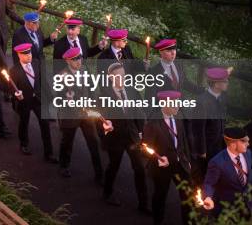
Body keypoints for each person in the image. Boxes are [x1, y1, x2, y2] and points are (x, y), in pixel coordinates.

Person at [99, 62, 148, 213]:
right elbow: (100, 117)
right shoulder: (104, 94)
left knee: (139, 168)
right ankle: (107, 193)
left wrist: (141, 132)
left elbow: (139, 112)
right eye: (118, 76)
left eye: (123, 75)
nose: (121, 79)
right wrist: (105, 126)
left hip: (132, 136)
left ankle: (143, 203)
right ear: (111, 78)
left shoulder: (132, 91)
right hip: (116, 138)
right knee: (114, 166)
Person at [57, 47, 108, 181]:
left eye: (79, 58)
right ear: (68, 61)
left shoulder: (85, 71)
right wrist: (65, 97)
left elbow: (91, 90)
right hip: (70, 115)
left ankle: (99, 174)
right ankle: (64, 165)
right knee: (67, 141)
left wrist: (92, 105)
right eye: (74, 59)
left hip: (86, 115)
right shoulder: (62, 76)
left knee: (93, 142)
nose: (78, 61)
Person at [143, 91, 193, 225]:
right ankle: (157, 221)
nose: (177, 106)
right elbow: (145, 148)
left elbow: (183, 142)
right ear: (163, 104)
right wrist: (157, 158)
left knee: (188, 196)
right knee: (160, 196)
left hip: (180, 165)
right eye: (174, 103)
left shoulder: (178, 118)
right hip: (162, 167)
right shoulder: (152, 123)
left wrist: (187, 160)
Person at [10, 43, 57, 162]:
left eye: (29, 53)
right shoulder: (14, 70)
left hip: (38, 100)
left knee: (45, 124)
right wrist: (16, 94)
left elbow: (43, 82)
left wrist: (50, 98)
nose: (28, 56)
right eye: (25, 54)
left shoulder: (37, 63)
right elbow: (11, 87)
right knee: (24, 122)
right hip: (24, 101)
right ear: (19, 55)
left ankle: (49, 153)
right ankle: (24, 144)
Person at [202, 127, 252, 220]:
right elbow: (209, 183)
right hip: (229, 211)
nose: (248, 144)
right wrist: (208, 197)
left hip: (250, 206)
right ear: (233, 144)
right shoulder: (217, 162)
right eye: (244, 141)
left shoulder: (248, 153)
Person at [193, 67, 230, 180]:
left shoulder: (223, 97)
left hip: (220, 144)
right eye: (225, 81)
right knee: (205, 176)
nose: (227, 83)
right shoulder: (201, 102)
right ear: (216, 84)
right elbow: (199, 129)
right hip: (207, 147)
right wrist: (202, 150)